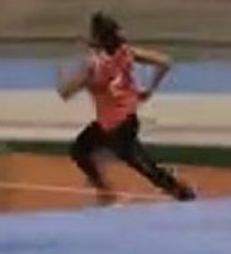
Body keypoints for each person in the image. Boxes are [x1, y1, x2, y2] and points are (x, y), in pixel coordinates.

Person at [56, 11, 196, 205]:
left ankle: (182, 193)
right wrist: (150, 89)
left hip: (114, 127)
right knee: (81, 148)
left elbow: (65, 93)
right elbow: (165, 62)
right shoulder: (126, 52)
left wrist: (63, 74)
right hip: (125, 120)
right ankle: (106, 191)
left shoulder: (92, 65)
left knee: (144, 167)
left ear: (97, 37)